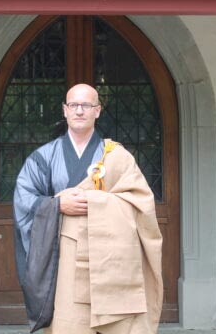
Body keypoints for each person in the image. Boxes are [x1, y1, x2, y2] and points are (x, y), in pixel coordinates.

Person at [13, 83, 163, 334]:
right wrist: (58, 204)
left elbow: (142, 202)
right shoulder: (44, 157)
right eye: (74, 105)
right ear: (64, 110)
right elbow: (23, 201)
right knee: (69, 324)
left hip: (112, 260)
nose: (79, 111)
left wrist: (95, 202)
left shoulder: (117, 157)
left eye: (87, 105)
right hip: (65, 257)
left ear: (98, 110)